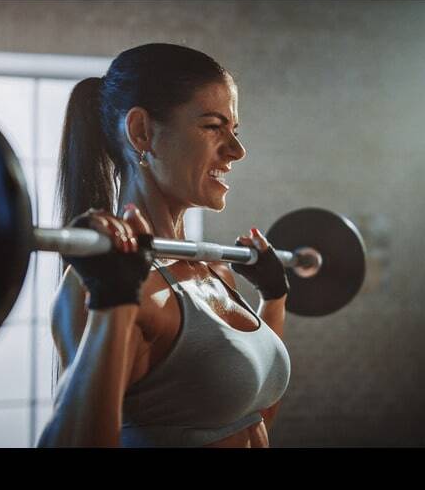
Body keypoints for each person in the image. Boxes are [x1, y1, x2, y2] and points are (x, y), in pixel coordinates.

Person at [37, 43, 291, 448]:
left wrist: (273, 298)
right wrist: (114, 301)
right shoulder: (97, 287)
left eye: (235, 131)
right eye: (213, 126)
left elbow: (252, 417)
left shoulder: (217, 271)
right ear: (141, 132)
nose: (237, 151)